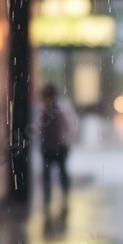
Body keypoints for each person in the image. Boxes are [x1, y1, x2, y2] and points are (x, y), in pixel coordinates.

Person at [38, 84, 77, 219]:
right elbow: (70, 126)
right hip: (57, 146)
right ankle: (59, 197)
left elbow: (68, 126)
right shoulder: (60, 107)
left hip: (54, 147)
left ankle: (53, 198)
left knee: (53, 173)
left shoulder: (54, 108)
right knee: (60, 172)